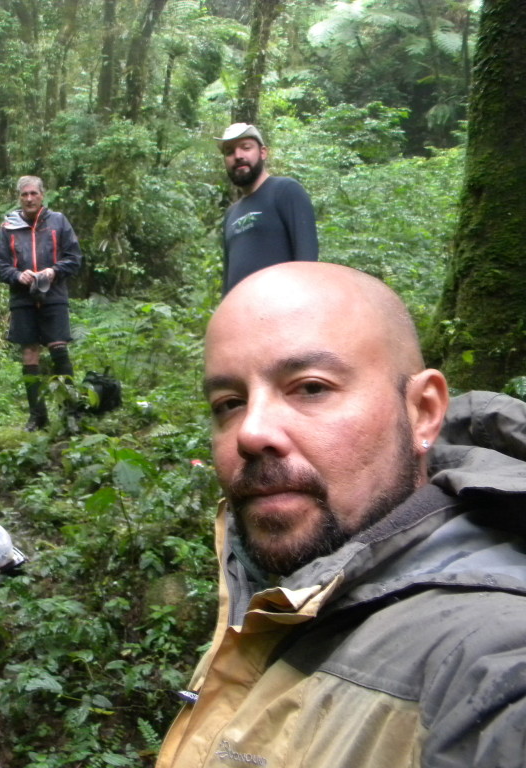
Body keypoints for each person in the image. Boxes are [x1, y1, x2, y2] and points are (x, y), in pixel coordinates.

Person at [158, 262, 526, 768]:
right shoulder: (273, 588)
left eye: (310, 387)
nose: (251, 431)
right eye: (229, 403)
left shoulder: (492, 655)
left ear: (422, 411)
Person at [0, 175, 83, 431]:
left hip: (53, 295)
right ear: (19, 197)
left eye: (34, 193)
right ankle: (37, 416)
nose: (29, 198)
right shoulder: (8, 225)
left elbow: (74, 258)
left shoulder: (58, 221)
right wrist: (18, 275)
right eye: (24, 194)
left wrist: (53, 271)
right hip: (22, 298)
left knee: (58, 348)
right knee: (29, 353)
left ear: (42, 195)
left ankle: (71, 414)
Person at [215, 122, 318, 295]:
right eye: (230, 152)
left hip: (282, 311)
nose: (238, 155)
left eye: (246, 148)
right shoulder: (231, 214)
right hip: (242, 316)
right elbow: (227, 279)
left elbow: (307, 260)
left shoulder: (285, 190)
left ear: (263, 152)